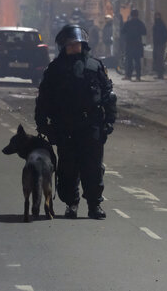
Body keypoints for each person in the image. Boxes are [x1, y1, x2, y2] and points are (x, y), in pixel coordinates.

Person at [35, 24, 117, 220]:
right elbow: (44, 99)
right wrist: (43, 124)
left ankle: (94, 205)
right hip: (65, 127)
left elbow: (109, 96)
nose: (74, 47)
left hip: (91, 127)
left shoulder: (95, 67)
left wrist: (109, 122)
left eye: (77, 44)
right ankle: (71, 203)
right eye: (70, 45)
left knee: (93, 167)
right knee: (68, 169)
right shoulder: (55, 70)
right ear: (64, 46)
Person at [121, 9, 147, 81]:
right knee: (137, 61)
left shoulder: (128, 23)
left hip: (129, 45)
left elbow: (122, 31)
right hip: (138, 45)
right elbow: (144, 33)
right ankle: (138, 77)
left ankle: (128, 75)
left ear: (131, 15)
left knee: (129, 61)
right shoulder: (140, 23)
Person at [152, 11, 167, 79]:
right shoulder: (157, 24)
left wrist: (162, 41)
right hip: (157, 44)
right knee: (157, 59)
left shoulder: (160, 24)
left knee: (159, 59)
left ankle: (160, 74)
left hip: (160, 44)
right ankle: (159, 74)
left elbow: (166, 34)